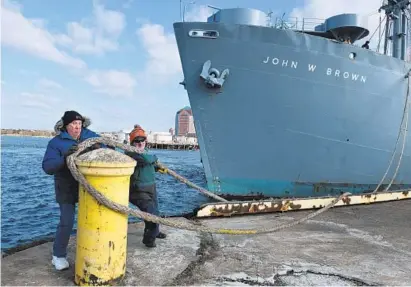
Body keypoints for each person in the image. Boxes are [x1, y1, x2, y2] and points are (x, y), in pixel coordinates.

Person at [42, 110, 101, 271]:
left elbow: (107, 146)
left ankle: (93, 248)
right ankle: (58, 255)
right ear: (66, 126)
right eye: (73, 124)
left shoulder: (88, 135)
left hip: (86, 185)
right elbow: (47, 167)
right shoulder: (56, 142)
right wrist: (65, 158)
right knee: (67, 221)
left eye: (79, 124)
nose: (77, 127)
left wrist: (98, 146)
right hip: (65, 186)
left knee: (94, 217)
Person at [125, 125, 167, 248]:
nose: (140, 143)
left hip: (150, 187)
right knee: (151, 213)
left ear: (145, 141)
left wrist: (157, 167)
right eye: (136, 141)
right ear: (132, 143)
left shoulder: (145, 153)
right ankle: (149, 239)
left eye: (142, 140)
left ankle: (156, 231)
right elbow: (146, 160)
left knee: (155, 211)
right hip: (138, 190)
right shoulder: (132, 153)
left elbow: (148, 164)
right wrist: (154, 159)